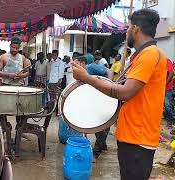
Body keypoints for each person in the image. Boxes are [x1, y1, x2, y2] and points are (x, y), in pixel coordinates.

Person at [72, 9, 166, 180]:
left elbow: (126, 93)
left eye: (129, 27)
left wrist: (87, 78)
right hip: (133, 136)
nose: (127, 32)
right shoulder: (143, 55)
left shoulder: (149, 55)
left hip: (138, 138)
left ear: (136, 28)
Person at [164, 58, 174, 127]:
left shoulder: (166, 60)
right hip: (158, 88)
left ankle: (170, 122)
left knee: (167, 105)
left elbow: (171, 73)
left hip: (167, 88)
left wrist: (165, 84)